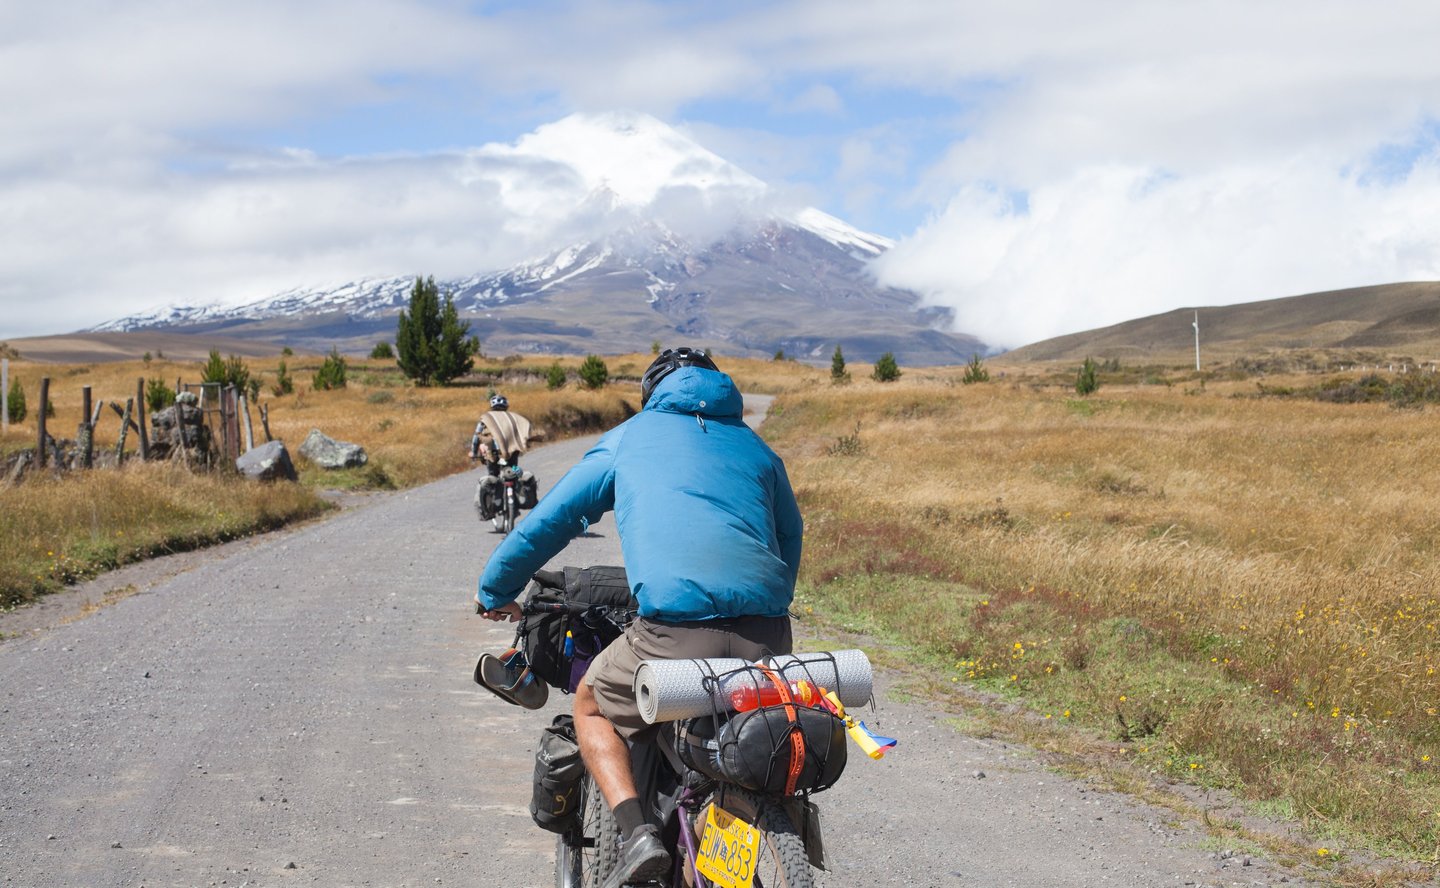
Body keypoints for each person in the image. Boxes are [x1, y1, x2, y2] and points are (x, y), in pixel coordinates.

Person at [475, 347, 803, 888]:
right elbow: (789, 533)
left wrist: (496, 588)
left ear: (652, 393)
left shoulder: (631, 437)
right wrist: (769, 599)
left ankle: (637, 835)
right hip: (767, 634)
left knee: (592, 703)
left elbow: (552, 520)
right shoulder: (755, 445)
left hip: (672, 630)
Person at [470, 393, 533, 520]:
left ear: (492, 406)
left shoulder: (486, 419)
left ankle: (492, 505)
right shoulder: (513, 418)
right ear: (506, 406)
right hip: (511, 454)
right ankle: (516, 499)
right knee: (514, 472)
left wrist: (474, 452)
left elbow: (476, 438)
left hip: (493, 456)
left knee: (492, 476)